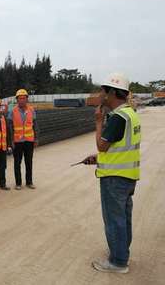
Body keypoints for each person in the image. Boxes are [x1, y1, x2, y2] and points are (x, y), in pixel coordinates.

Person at [82, 73, 140, 274]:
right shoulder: (131, 114)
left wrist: (98, 122)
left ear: (112, 92)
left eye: (103, 91)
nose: (101, 95)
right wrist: (99, 158)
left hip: (114, 178)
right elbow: (121, 147)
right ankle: (121, 252)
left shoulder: (117, 118)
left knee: (114, 219)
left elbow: (102, 145)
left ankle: (117, 261)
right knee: (123, 217)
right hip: (127, 176)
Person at [7, 89, 38, 190]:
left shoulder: (31, 110)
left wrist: (36, 138)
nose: (22, 100)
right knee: (17, 163)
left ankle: (29, 182)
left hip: (29, 140)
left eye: (24, 98)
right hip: (17, 141)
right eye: (20, 98)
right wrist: (11, 141)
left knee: (29, 162)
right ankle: (18, 183)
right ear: (17, 100)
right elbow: (10, 127)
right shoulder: (12, 111)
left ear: (27, 99)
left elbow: (35, 125)